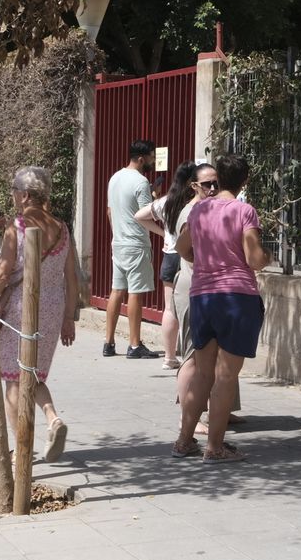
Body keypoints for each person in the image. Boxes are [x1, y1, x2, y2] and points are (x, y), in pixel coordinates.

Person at [173, 154, 271, 462]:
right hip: (236, 297)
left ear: (218, 178)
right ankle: (215, 447)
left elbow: (182, 248)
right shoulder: (244, 211)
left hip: (202, 297)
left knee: (203, 373)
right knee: (226, 376)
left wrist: (203, 262)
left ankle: (184, 442)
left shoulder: (199, 209)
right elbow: (254, 258)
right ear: (245, 180)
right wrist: (266, 258)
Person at [0, 167, 80, 462]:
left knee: (15, 381)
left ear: (25, 194)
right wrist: (68, 318)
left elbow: (3, 274)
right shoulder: (63, 228)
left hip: (20, 308)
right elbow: (72, 277)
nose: (13, 197)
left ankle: (22, 450)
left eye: (14, 192)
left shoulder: (16, 226)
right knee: (32, 372)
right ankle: (52, 418)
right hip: (53, 310)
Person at [136, 161, 199, 368]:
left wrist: (163, 233)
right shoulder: (195, 204)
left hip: (170, 256)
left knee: (170, 309)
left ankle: (169, 357)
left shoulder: (167, 202)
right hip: (189, 258)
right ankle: (192, 355)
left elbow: (139, 216)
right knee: (193, 308)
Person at [105, 139, 159, 359]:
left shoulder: (115, 178)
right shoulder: (141, 182)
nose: (153, 161)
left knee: (117, 291)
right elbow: (146, 214)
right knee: (135, 292)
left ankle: (108, 342)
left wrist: (118, 232)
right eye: (151, 157)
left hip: (118, 242)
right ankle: (135, 345)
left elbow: (110, 212)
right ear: (141, 158)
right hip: (136, 243)